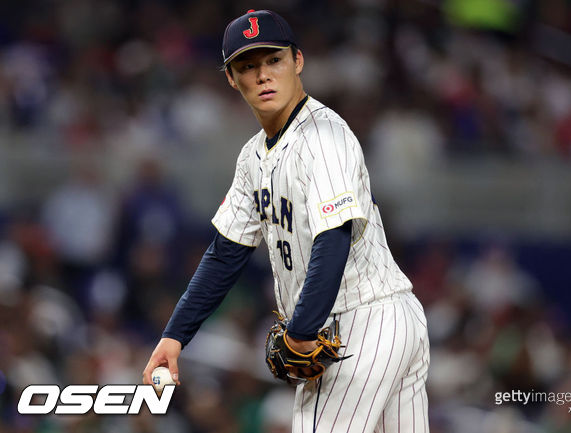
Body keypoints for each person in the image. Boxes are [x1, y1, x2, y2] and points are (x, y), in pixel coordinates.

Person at [143, 9, 430, 432]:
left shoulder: (324, 136)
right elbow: (226, 255)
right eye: (247, 66)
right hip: (380, 322)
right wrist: (175, 335)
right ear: (230, 78)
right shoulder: (252, 157)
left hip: (359, 321)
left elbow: (334, 234)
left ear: (297, 61)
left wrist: (300, 330)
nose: (262, 76)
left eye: (273, 60)